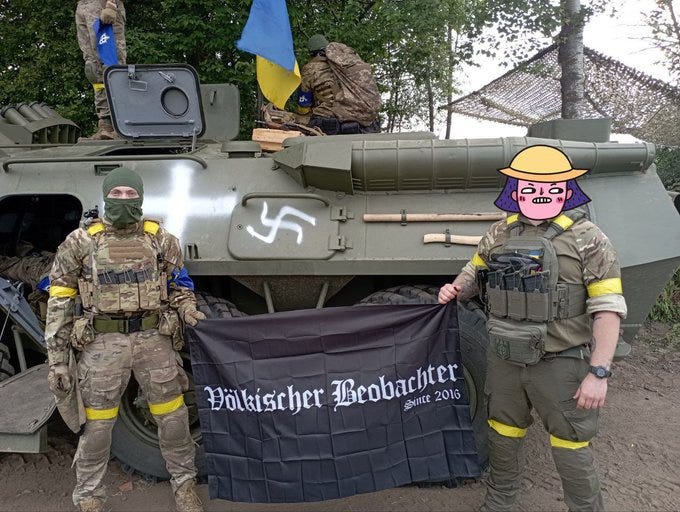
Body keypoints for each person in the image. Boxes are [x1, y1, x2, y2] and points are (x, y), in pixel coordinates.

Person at [438, 145, 627, 512]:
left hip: (560, 361)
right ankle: (497, 505)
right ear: (516, 189)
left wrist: (599, 373)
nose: (541, 194)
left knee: (571, 444)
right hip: (505, 357)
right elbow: (474, 271)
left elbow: (608, 308)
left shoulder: (589, 238)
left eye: (552, 187)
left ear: (567, 190)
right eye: (530, 187)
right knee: (502, 434)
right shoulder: (500, 231)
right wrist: (456, 288)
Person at [45, 166, 206, 512]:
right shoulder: (81, 242)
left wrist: (188, 307)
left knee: (174, 419)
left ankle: (185, 486)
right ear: (105, 197)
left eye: (130, 193)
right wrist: (57, 361)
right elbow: (59, 303)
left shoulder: (161, 239)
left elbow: (180, 284)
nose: (123, 199)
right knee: (97, 427)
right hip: (102, 345)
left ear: (140, 197)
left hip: (154, 340)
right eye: (116, 194)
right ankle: (89, 496)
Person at [298, 34, 381, 135]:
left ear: (312, 53)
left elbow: (303, 106)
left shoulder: (310, 69)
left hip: (330, 124)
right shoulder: (347, 64)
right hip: (365, 123)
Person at [75, 0, 127, 139]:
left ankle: (121, 125)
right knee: (93, 69)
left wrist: (111, 4)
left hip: (102, 5)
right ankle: (105, 124)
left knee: (112, 66)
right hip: (83, 6)